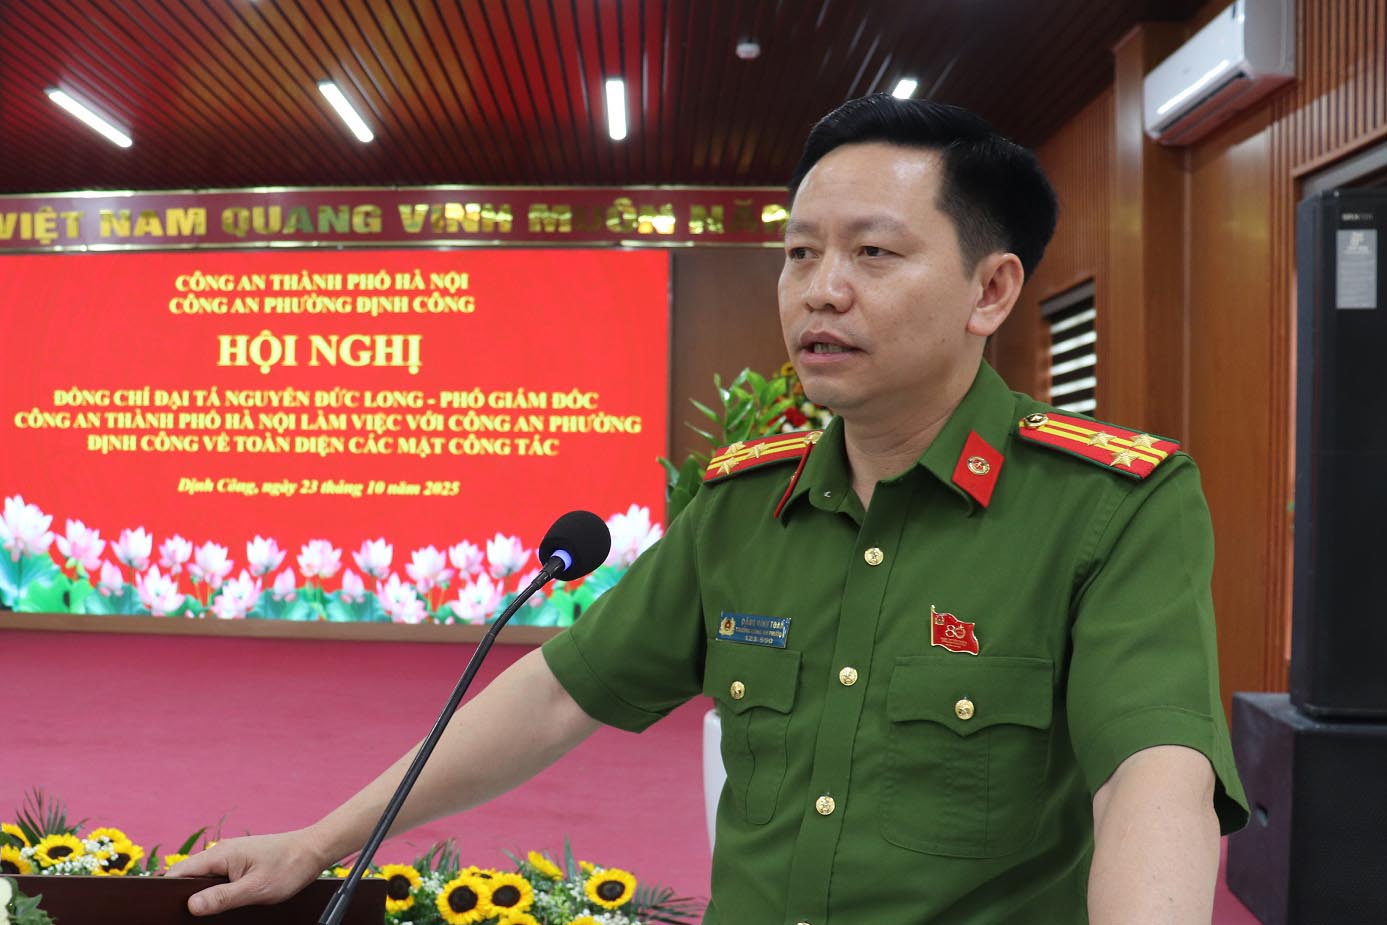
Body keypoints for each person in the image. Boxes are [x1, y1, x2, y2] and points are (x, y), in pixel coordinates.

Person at [170, 94, 1247, 923]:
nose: (820, 289)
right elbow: (558, 695)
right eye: (798, 253)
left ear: (991, 291)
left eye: (873, 253)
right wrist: (325, 837)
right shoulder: (746, 503)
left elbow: (1148, 781)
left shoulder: (1107, 508)